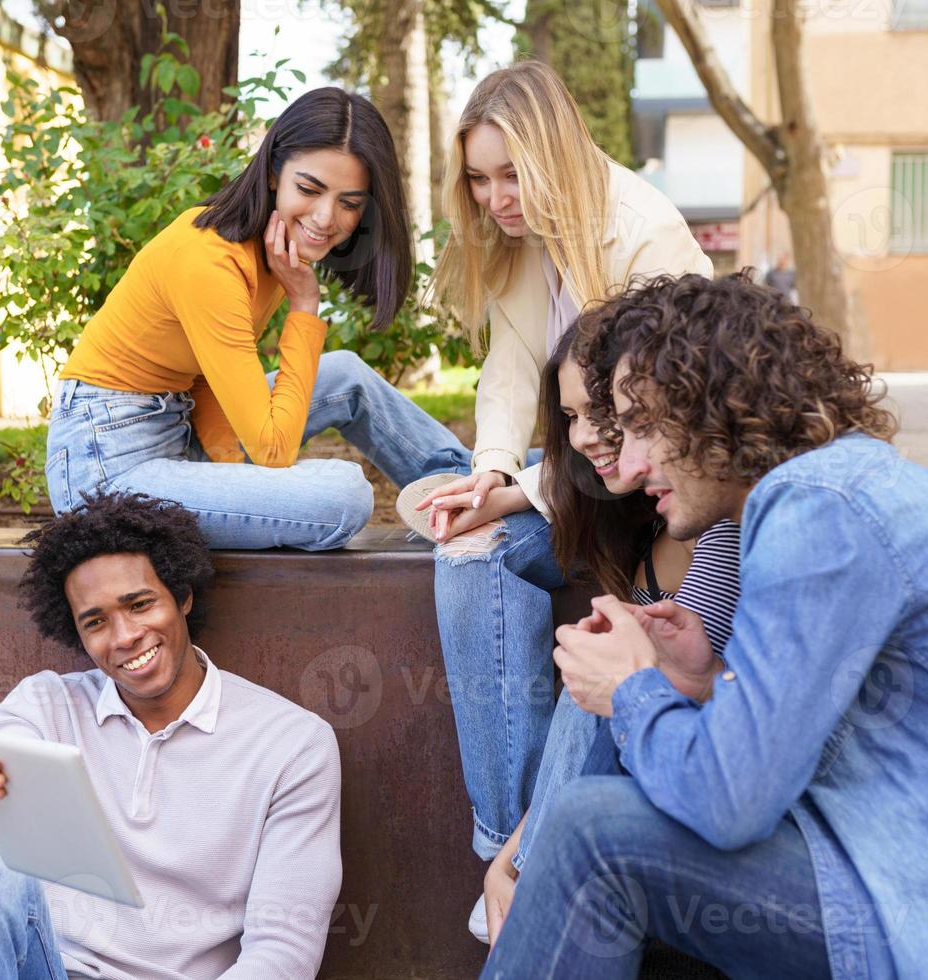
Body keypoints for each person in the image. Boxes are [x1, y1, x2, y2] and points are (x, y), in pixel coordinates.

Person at [484, 272, 928, 979]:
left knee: (593, 836)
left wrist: (635, 690)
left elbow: (731, 801)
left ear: (718, 401)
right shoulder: (839, 487)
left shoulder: (818, 507)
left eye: (644, 424)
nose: (632, 458)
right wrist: (700, 681)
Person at [400, 60, 712, 894]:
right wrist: (492, 473)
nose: (496, 198)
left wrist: (525, 489)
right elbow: (511, 371)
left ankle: (531, 866)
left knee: (498, 549)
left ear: (555, 156)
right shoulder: (516, 245)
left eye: (511, 174)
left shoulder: (642, 229)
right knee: (464, 549)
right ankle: (507, 850)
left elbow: (664, 425)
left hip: (653, 494)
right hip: (576, 479)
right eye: (478, 179)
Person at [0, 492, 342, 979]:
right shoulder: (46, 708)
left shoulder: (292, 744)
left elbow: (283, 952)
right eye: (96, 622)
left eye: (139, 604)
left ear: (182, 596)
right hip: (48, 969)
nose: (124, 636)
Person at [46, 87, 470, 550]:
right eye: (308, 189)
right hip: (107, 467)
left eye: (349, 203)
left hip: (175, 431)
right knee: (344, 497)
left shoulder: (268, 251)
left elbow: (204, 380)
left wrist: (231, 470)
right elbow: (272, 449)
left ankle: (468, 483)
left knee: (346, 374)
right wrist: (305, 305)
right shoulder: (211, 261)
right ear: (273, 173)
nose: (326, 217)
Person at [472, 327, 742, 946]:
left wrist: (519, 859)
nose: (585, 434)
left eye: (608, 414)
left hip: (685, 818)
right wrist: (510, 855)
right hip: (618, 810)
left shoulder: (721, 524)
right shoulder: (642, 521)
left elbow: (643, 703)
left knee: (603, 667)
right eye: (570, 416)